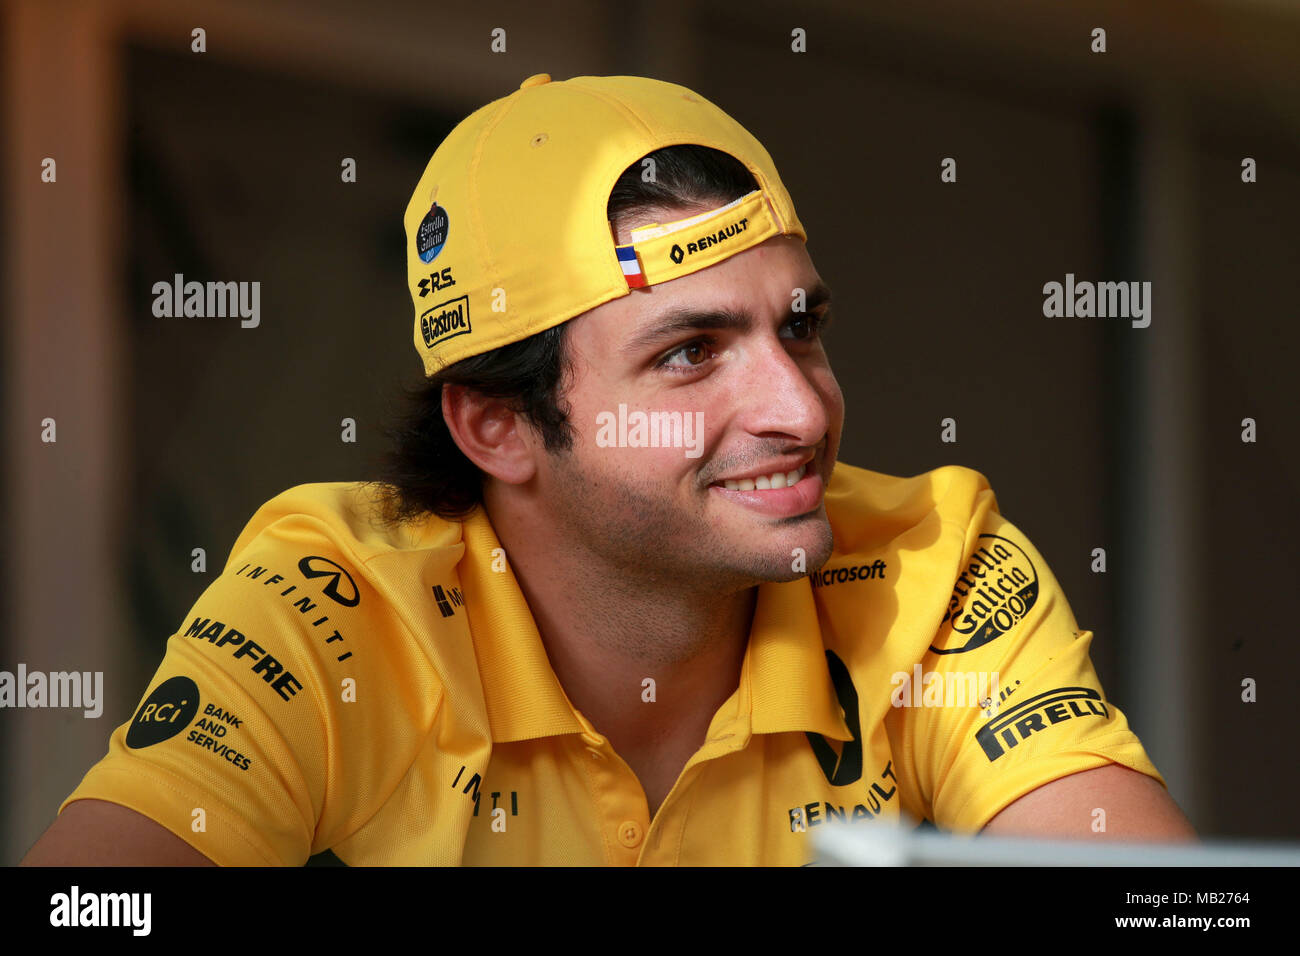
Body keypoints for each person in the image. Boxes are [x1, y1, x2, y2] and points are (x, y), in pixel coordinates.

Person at [22, 73, 1194, 866]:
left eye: (798, 326)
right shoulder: (335, 606)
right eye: (690, 353)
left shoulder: (931, 563)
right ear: (498, 427)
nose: (800, 408)